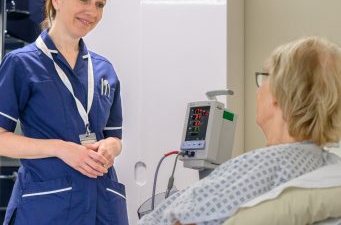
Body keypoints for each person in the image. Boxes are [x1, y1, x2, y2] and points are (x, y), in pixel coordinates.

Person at [0, 0, 128, 225]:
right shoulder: (21, 64)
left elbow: (115, 137)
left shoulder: (104, 70)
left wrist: (111, 148)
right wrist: (61, 149)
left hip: (101, 205)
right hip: (47, 206)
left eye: (100, 4)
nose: (92, 11)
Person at [139, 36, 341, 225]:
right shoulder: (323, 162)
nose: (258, 90)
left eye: (265, 78)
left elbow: (187, 221)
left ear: (281, 93)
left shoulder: (264, 165)